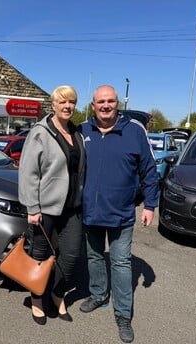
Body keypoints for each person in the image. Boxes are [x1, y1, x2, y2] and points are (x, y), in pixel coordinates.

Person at [78, 85, 159, 343]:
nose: (105, 105)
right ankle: (99, 294)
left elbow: (149, 171)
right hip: (90, 211)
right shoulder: (83, 130)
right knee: (94, 257)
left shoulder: (134, 131)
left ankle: (123, 314)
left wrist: (149, 205)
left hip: (122, 213)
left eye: (110, 101)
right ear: (93, 105)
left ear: (117, 104)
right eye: (100, 101)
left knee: (121, 263)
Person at [18, 85, 86, 325]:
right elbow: (28, 172)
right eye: (62, 102)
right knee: (39, 255)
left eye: (72, 102)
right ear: (53, 105)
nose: (68, 106)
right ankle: (37, 300)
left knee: (70, 255)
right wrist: (32, 208)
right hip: (45, 208)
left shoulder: (76, 133)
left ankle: (57, 295)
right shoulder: (40, 132)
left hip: (73, 207)